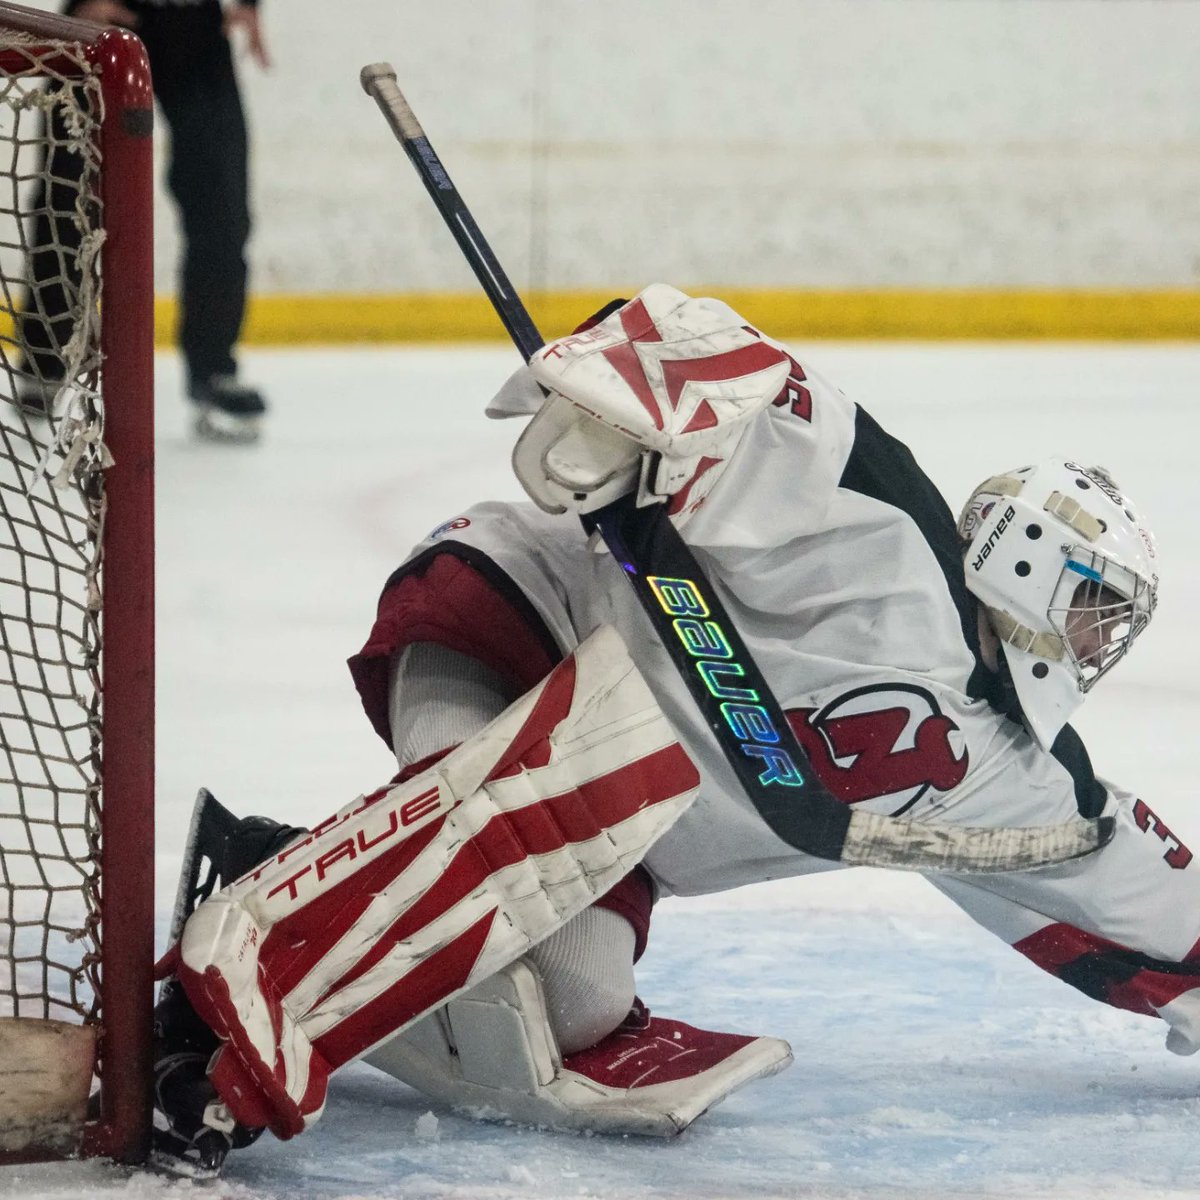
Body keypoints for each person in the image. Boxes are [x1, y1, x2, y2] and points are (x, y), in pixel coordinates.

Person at [151, 285, 1195, 1180]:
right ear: (1028, 560)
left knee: (571, 1003)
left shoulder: (1006, 777)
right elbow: (735, 369)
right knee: (503, 833)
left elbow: (1141, 894)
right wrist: (619, 403)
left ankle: (273, 866)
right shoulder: (887, 546)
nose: (1099, 639)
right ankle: (210, 1027)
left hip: (602, 822)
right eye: (1096, 606)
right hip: (514, 622)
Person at [17, 0, 269, 442]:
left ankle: (214, 370)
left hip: (194, 27)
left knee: (222, 204)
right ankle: (44, 361)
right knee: (65, 197)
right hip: (98, 28)